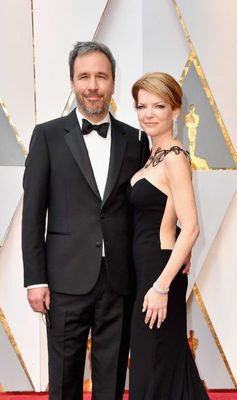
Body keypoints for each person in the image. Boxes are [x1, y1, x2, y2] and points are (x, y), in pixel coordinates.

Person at [22, 41, 149, 399]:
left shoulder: (135, 139)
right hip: (63, 280)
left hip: (120, 280)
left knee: (110, 382)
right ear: (72, 82)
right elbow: (33, 212)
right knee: (64, 381)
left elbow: (142, 209)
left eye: (101, 76)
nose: (93, 85)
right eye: (84, 77)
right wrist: (35, 279)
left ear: (112, 82)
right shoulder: (47, 136)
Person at [128, 72, 209, 399]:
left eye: (158, 105)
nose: (148, 113)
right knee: (159, 364)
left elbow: (191, 226)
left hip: (158, 273)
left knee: (157, 366)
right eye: (141, 106)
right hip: (149, 269)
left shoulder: (175, 157)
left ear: (176, 111)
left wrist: (161, 286)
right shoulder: (153, 155)